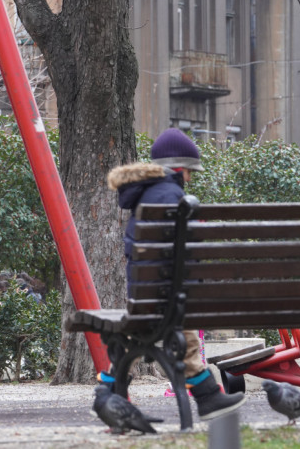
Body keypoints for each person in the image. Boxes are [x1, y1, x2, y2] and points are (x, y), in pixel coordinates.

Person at [103, 127, 245, 421]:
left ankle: (108, 396)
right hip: (165, 294)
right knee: (183, 326)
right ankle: (207, 397)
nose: (191, 178)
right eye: (190, 172)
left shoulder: (148, 195)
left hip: (147, 293)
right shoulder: (171, 195)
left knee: (149, 336)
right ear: (179, 169)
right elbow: (184, 252)